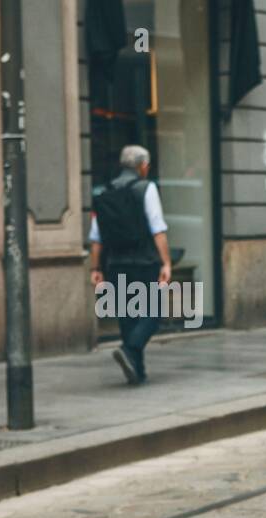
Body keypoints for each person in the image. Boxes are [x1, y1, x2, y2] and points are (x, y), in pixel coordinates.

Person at [89, 144, 172, 385]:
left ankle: (137, 370)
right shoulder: (146, 188)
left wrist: (96, 268)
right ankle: (130, 349)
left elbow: (96, 237)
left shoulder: (105, 191)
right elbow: (158, 228)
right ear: (142, 167)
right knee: (153, 313)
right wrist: (165, 262)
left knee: (128, 315)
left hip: (115, 262)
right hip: (143, 261)